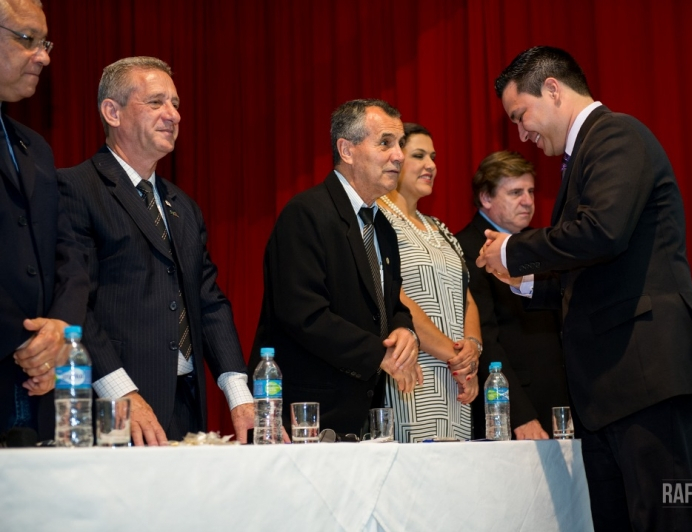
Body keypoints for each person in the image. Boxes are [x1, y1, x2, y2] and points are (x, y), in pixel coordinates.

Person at [479, 46, 692, 531]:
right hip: (612, 389)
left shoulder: (616, 134)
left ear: (552, 90)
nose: (522, 133)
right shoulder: (583, 157)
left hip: (649, 375)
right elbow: (593, 269)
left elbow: (602, 233)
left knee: (666, 523)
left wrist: (513, 251)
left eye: (520, 115)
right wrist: (523, 279)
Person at [57, 57, 254, 446]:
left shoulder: (183, 206)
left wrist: (240, 395)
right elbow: (75, 305)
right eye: (156, 102)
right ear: (112, 112)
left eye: (175, 104)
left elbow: (208, 302)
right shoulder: (75, 188)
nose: (173, 115)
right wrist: (122, 393)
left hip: (185, 405)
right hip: (114, 409)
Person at [249, 99, 422, 436]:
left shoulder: (383, 226)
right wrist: (379, 354)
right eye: (385, 142)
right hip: (306, 416)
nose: (399, 155)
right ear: (347, 150)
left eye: (400, 143)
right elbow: (303, 314)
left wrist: (404, 330)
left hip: (363, 417)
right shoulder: (306, 214)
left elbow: (391, 305)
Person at [0, 0, 87, 441]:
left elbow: (68, 253)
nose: (44, 56)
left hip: (37, 389)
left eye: (45, 43)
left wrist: (60, 331)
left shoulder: (34, 147)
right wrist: (24, 339)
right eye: (27, 39)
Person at [376, 123, 479, 442]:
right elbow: (393, 297)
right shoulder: (378, 219)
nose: (431, 165)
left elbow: (466, 296)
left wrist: (472, 350)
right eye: (419, 155)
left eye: (433, 157)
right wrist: (455, 356)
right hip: (411, 373)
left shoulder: (438, 227)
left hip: (455, 380)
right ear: (395, 158)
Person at [455, 150, 568, 440]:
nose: (528, 201)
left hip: (559, 398)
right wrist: (519, 414)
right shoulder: (465, 249)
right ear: (486, 197)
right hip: (511, 410)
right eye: (516, 192)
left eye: (530, 191)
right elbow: (484, 339)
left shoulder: (539, 243)